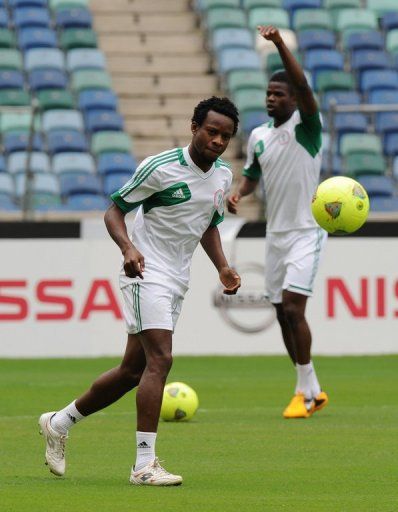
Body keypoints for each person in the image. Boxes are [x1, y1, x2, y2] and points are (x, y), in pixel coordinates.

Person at [39, 96, 241, 486]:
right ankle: (144, 465)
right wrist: (128, 248)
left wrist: (223, 267)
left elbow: (208, 224)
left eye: (226, 136)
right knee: (161, 360)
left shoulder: (222, 176)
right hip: (145, 271)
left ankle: (58, 423)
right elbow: (114, 210)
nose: (217, 141)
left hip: (177, 278)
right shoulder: (160, 168)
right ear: (195, 127)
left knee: (133, 370)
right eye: (212, 132)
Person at [227, 26, 328, 419]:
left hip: (306, 231)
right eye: (268, 94)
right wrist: (239, 192)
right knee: (280, 312)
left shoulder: (306, 127)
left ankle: (304, 393)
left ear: (293, 100)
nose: (271, 99)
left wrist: (279, 45)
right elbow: (252, 178)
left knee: (292, 307)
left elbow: (302, 85)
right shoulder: (258, 137)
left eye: (278, 94)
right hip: (276, 235)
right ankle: (311, 387)